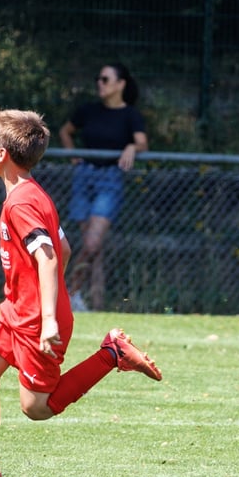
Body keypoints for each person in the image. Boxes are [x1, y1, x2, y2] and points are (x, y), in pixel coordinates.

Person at [0, 109, 162, 477]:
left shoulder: (21, 203)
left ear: (2, 154)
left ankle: (111, 353)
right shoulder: (32, 193)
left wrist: (48, 318)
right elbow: (64, 249)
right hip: (18, 308)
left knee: (37, 408)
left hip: (34, 318)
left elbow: (47, 256)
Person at [58, 63, 147, 312]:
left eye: (106, 79)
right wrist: (73, 156)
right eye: (98, 78)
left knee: (92, 243)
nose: (100, 83)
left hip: (109, 180)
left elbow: (142, 143)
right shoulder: (88, 110)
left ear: (121, 84)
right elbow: (65, 131)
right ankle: (95, 303)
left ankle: (69, 292)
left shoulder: (130, 115)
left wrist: (131, 147)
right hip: (84, 177)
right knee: (94, 249)